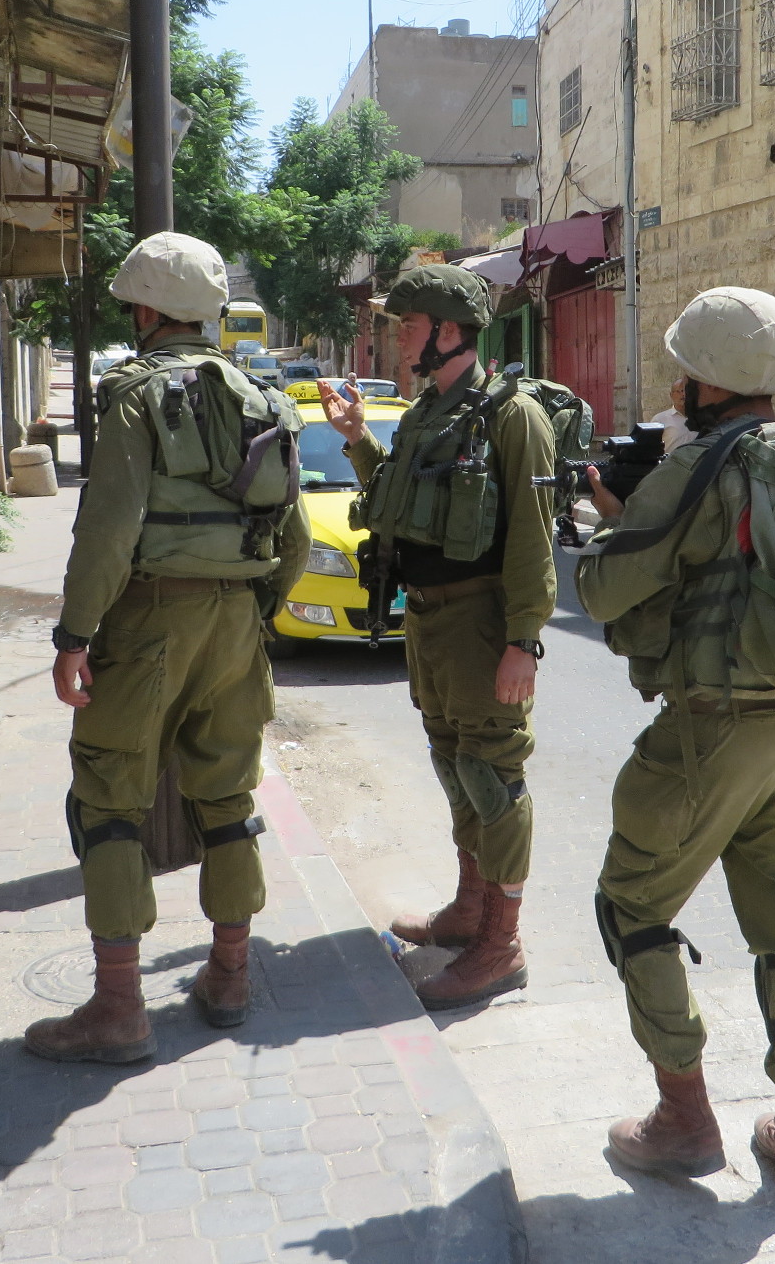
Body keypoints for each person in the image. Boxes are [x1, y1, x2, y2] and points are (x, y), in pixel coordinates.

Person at [575, 286, 775, 1202]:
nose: (676, 383)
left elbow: (607, 593)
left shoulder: (697, 467)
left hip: (710, 736)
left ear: (705, 383)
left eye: (684, 371)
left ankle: (684, 1119)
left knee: (631, 905)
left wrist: (614, 516)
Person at [28, 232, 310, 1062]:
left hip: (148, 620)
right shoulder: (266, 400)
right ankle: (228, 977)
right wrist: (253, 612)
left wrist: (75, 636)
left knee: (112, 800)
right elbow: (291, 539)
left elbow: (108, 532)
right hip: (236, 623)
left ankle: (118, 1010)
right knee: (226, 799)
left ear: (148, 310)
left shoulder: (135, 397)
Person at [317, 265, 556, 1010]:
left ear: (448, 332)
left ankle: (501, 946)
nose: (400, 338)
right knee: (455, 764)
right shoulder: (429, 410)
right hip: (430, 622)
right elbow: (397, 496)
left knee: (495, 779)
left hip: (483, 625)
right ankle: (470, 906)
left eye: (409, 326)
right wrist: (357, 441)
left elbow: (532, 541)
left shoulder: (513, 418)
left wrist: (525, 640)